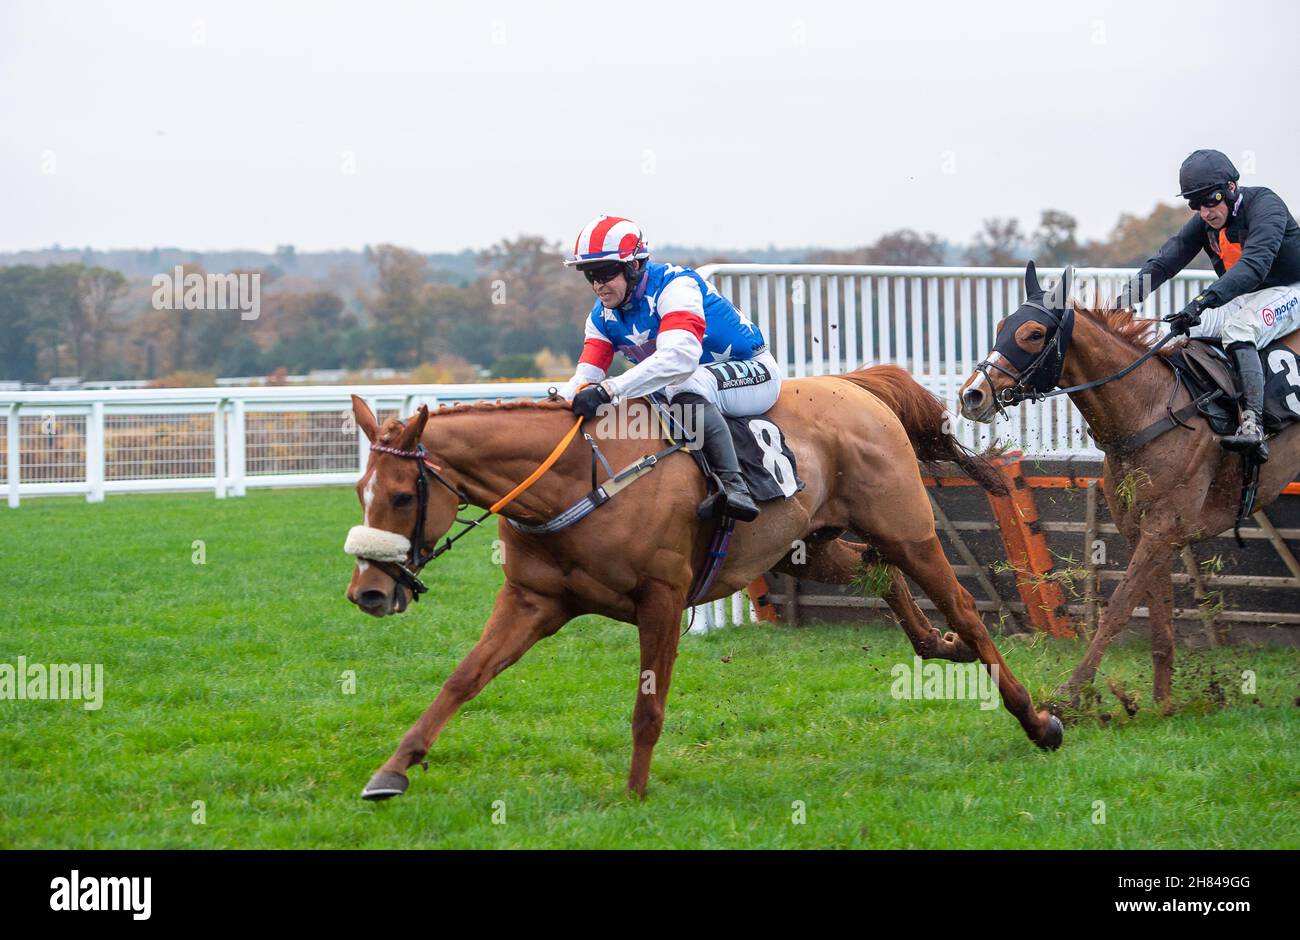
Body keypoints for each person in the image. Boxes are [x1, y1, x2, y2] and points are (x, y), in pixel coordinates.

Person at [558, 215, 783, 521]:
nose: (598, 284)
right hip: (695, 385)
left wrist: (610, 389)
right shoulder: (601, 317)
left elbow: (679, 358)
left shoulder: (676, 286)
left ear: (634, 266)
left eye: (606, 272)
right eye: (590, 274)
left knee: (682, 386)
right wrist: (560, 403)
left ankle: (735, 487)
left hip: (753, 371)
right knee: (639, 402)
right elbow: (585, 377)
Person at [1117, 149, 1300, 461]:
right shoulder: (1204, 221)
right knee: (1175, 332)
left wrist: (1201, 302)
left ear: (1231, 188)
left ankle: (1252, 423)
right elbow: (1165, 262)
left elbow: (1254, 265)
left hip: (1290, 288)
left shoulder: (1266, 205)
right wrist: (1124, 299)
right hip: (1247, 294)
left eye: (1210, 199)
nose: (1204, 211)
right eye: (1194, 203)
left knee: (1241, 327)